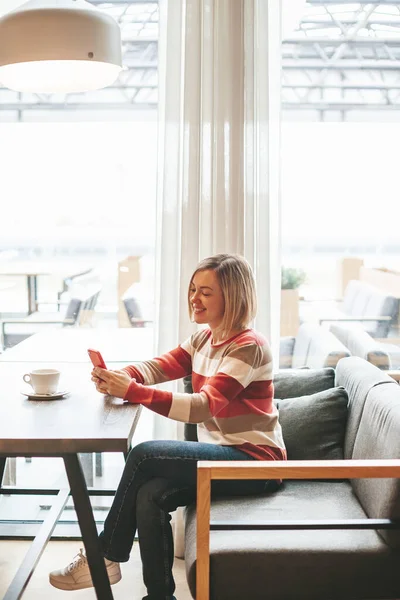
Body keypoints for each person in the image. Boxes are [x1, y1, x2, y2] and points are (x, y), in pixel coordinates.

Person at [49, 253, 286, 599]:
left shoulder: (248, 347)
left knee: (144, 455)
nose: (194, 298)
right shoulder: (203, 339)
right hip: (221, 458)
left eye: (206, 292)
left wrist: (132, 392)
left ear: (232, 296)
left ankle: (104, 557)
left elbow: (202, 406)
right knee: (149, 496)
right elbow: (160, 367)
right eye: (193, 289)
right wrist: (124, 375)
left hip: (254, 463)